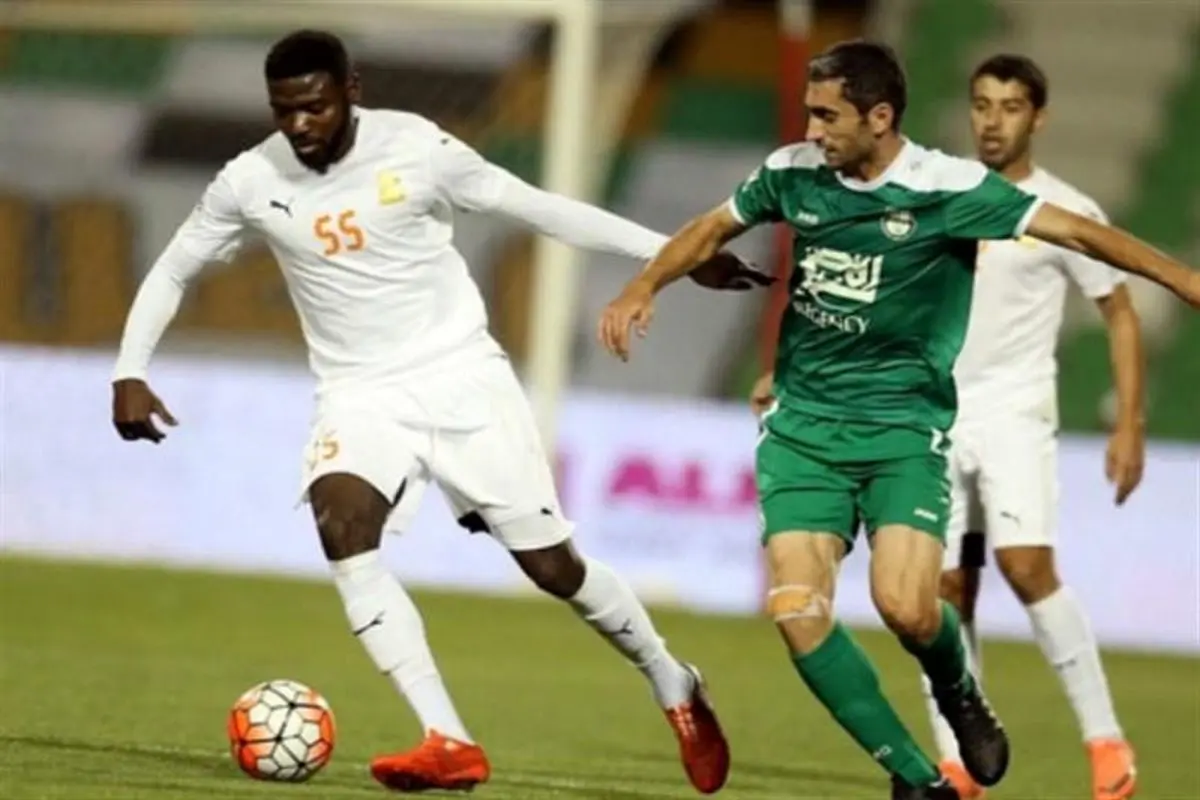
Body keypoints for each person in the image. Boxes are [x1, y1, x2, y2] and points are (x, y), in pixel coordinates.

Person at [110, 29, 762, 795]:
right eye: (284, 111)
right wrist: (130, 369)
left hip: (462, 379)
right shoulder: (250, 179)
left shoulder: (417, 148)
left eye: (315, 107)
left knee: (552, 567)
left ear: (352, 90)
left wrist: (676, 256)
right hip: (359, 393)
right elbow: (176, 267)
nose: (300, 125)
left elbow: (538, 207)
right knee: (342, 526)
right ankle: (447, 739)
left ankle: (670, 677)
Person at [598, 39, 1199, 800]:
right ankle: (918, 779)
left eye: (828, 116)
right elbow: (712, 226)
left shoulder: (949, 188)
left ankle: (961, 689)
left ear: (879, 118)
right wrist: (645, 285)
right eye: (811, 113)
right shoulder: (793, 172)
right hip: (803, 431)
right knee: (796, 610)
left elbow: (1080, 232)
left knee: (908, 606)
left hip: (903, 432)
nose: (813, 130)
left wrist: (1181, 277)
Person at [918, 54, 1143, 800]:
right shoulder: (941, 191)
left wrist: (1129, 423)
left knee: (1025, 567)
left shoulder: (1063, 207)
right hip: (938, 414)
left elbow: (1118, 310)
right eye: (981, 104)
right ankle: (958, 760)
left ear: (1037, 117)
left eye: (1010, 106)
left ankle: (1105, 740)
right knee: (944, 589)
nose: (992, 121)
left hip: (1016, 411)